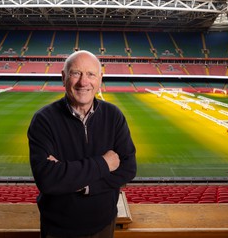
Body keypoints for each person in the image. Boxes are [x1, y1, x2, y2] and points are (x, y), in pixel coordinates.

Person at [27, 50, 137, 238]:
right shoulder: (43, 120)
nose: (83, 82)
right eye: (76, 73)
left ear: (100, 79)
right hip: (57, 229)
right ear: (64, 78)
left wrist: (78, 183)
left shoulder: (114, 116)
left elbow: (128, 168)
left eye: (91, 74)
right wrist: (104, 164)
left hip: (104, 225)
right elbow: (47, 180)